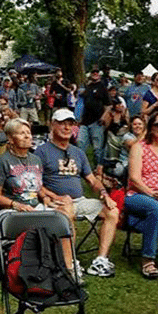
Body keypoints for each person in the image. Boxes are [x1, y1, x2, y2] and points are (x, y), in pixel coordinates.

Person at [0, 117, 79, 275]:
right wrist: (16, 205)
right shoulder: (1, 162)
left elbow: (37, 187)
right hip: (10, 211)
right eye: (21, 133)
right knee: (50, 219)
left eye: (28, 133)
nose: (27, 136)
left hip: (34, 208)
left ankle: (68, 266)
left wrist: (49, 198)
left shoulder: (35, 160)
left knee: (65, 216)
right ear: (10, 138)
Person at [36, 109, 119, 277]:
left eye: (70, 124)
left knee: (113, 212)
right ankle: (70, 262)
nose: (66, 127)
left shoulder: (78, 152)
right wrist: (55, 197)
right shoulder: (42, 151)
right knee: (67, 212)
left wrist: (104, 193)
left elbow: (92, 180)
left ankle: (100, 261)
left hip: (79, 200)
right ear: (52, 124)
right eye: (62, 123)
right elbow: (36, 184)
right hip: (55, 202)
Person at [125, 112, 158, 279]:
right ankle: (148, 260)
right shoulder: (139, 147)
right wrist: (152, 193)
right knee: (156, 209)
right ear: (151, 128)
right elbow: (134, 178)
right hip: (138, 194)